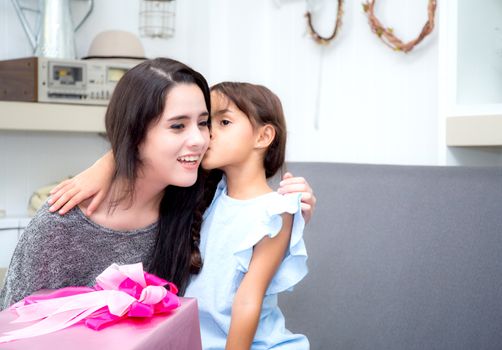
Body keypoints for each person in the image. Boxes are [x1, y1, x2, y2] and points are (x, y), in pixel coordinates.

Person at [0, 58, 316, 312]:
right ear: (135, 135)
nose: (200, 139)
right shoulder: (62, 222)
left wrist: (295, 208)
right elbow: (14, 328)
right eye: (178, 126)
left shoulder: (200, 202)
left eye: (204, 123)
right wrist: (108, 160)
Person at [186, 82, 309, 349]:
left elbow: (247, 300)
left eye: (224, 122)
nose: (208, 134)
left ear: (263, 137)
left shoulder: (277, 211)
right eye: (208, 123)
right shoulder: (211, 196)